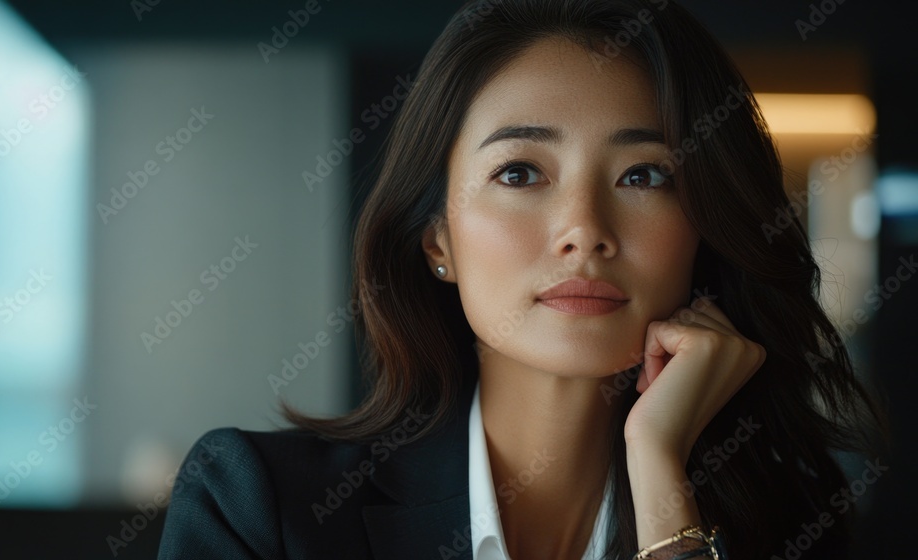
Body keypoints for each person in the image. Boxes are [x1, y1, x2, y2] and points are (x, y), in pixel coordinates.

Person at [157, 1, 890, 558]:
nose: (584, 229)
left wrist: (662, 476)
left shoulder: (793, 525)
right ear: (437, 238)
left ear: (704, 230)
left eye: (644, 175)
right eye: (519, 172)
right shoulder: (258, 505)